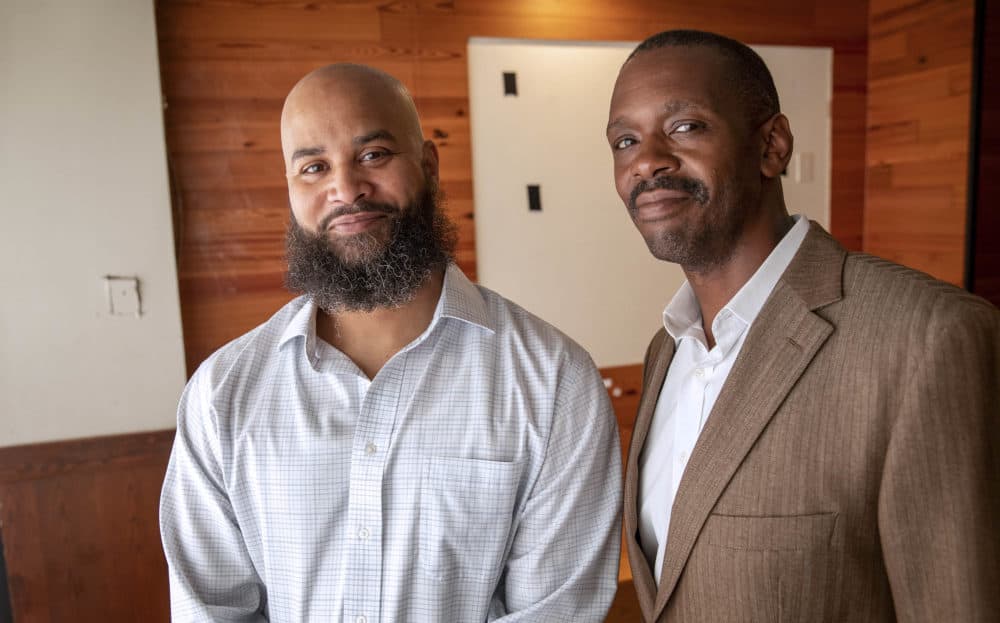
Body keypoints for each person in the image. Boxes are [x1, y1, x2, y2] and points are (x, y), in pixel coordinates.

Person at [160, 63, 622, 622]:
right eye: (313, 167)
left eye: (374, 155)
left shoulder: (553, 382)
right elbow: (209, 609)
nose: (346, 189)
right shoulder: (223, 394)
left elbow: (556, 611)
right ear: (290, 188)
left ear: (428, 165)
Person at [607, 29, 1000, 622]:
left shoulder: (929, 339)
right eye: (625, 140)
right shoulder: (667, 349)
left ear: (773, 145)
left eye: (685, 127)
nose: (646, 159)